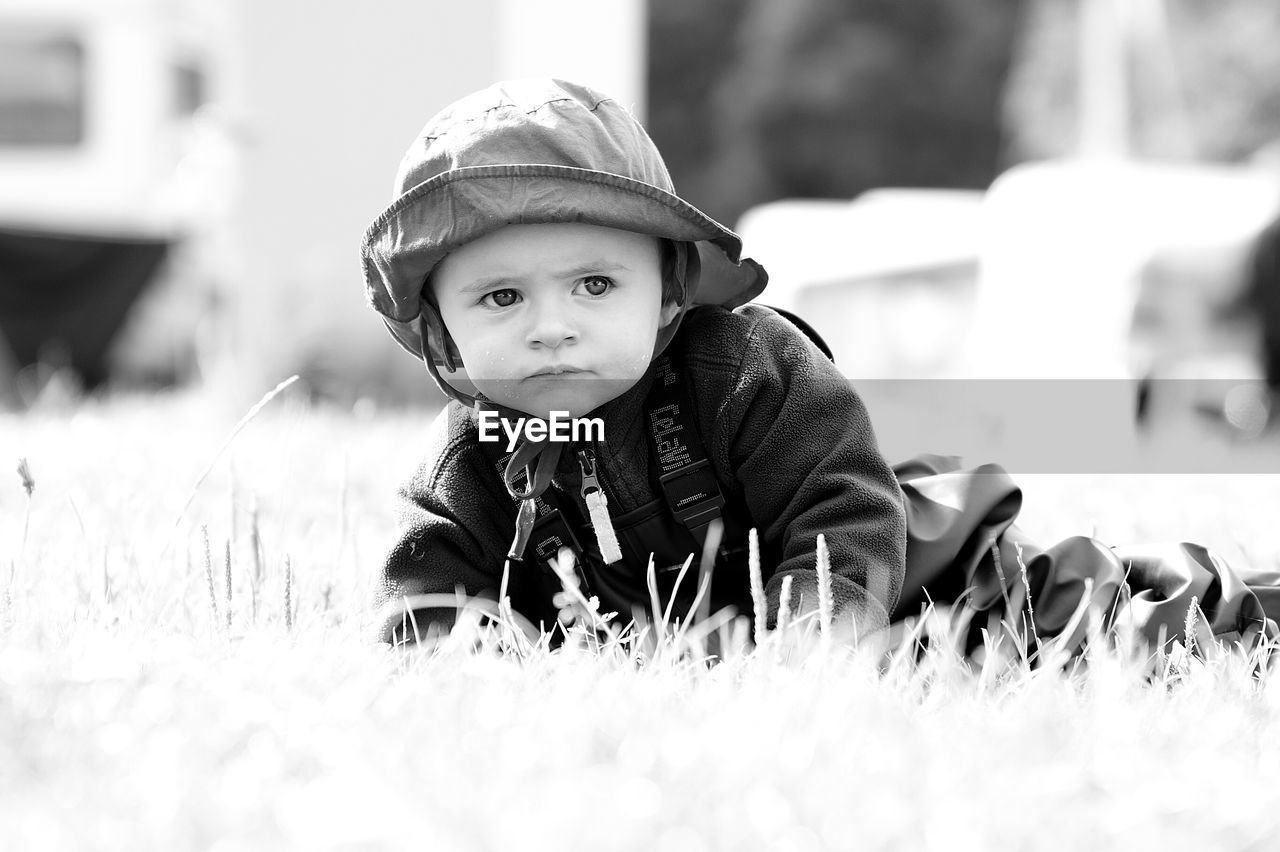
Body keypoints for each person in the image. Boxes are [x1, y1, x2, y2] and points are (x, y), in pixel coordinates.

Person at [362, 78, 1279, 654]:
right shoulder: (474, 461)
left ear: (671, 290)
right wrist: (472, 652)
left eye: (595, 284)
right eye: (500, 299)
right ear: (441, 334)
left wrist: (812, 649)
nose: (552, 328)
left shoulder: (742, 368)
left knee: (1143, 622)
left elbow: (844, 506)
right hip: (776, 644)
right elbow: (425, 599)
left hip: (940, 581)